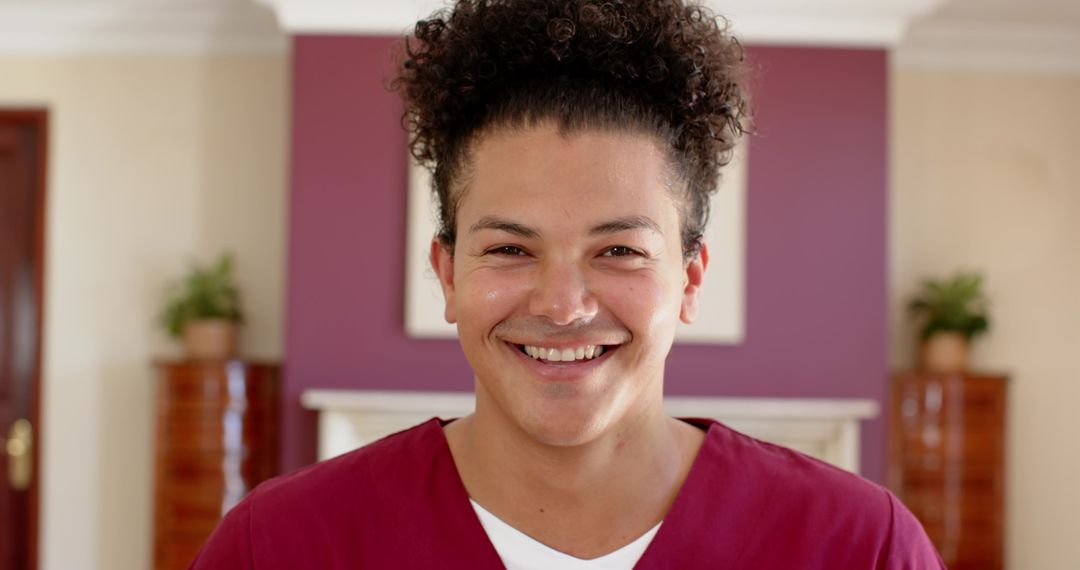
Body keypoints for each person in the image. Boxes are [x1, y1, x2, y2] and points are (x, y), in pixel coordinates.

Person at [192, 1, 945, 568]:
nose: (562, 304)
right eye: (510, 249)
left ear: (688, 277)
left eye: (618, 249)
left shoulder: (857, 546)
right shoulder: (282, 546)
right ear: (448, 273)